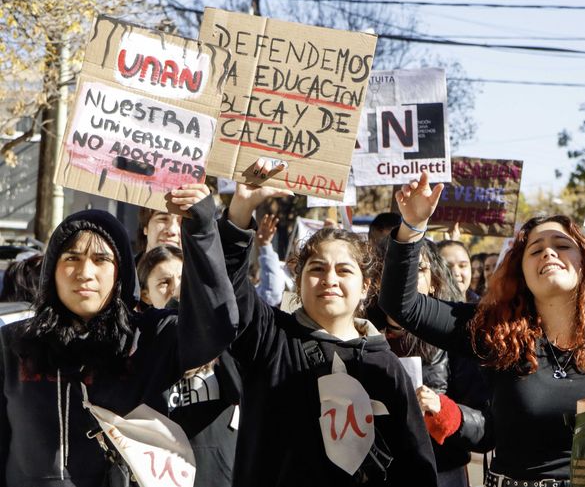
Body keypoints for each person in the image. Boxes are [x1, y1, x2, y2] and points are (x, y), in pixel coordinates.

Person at [0, 185, 239, 486]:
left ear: (120, 273)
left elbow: (218, 326)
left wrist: (203, 229)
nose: (85, 272)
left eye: (101, 260)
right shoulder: (13, 344)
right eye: (71, 258)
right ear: (52, 272)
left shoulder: (151, 337)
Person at [380, 171, 585, 485]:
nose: (549, 252)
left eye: (562, 245)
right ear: (521, 272)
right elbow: (403, 306)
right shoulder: (494, 331)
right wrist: (413, 225)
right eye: (535, 250)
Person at [218, 176, 438, 487]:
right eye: (317, 268)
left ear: (365, 287)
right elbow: (227, 287)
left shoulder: (384, 365)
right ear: (299, 280)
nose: (329, 279)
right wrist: (240, 211)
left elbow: (416, 465)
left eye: (344, 270)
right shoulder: (268, 338)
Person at [384, 239, 489, 487]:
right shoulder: (359, 337)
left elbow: (486, 428)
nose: (406, 279)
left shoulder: (458, 339)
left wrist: (444, 411)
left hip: (441, 473)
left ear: (434, 283)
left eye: (419, 270)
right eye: (394, 270)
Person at [136, 242, 240, 487]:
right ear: (145, 294)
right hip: (165, 474)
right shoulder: (140, 345)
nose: (176, 289)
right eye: (164, 283)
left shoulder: (217, 334)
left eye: (183, 279)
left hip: (220, 474)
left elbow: (240, 390)